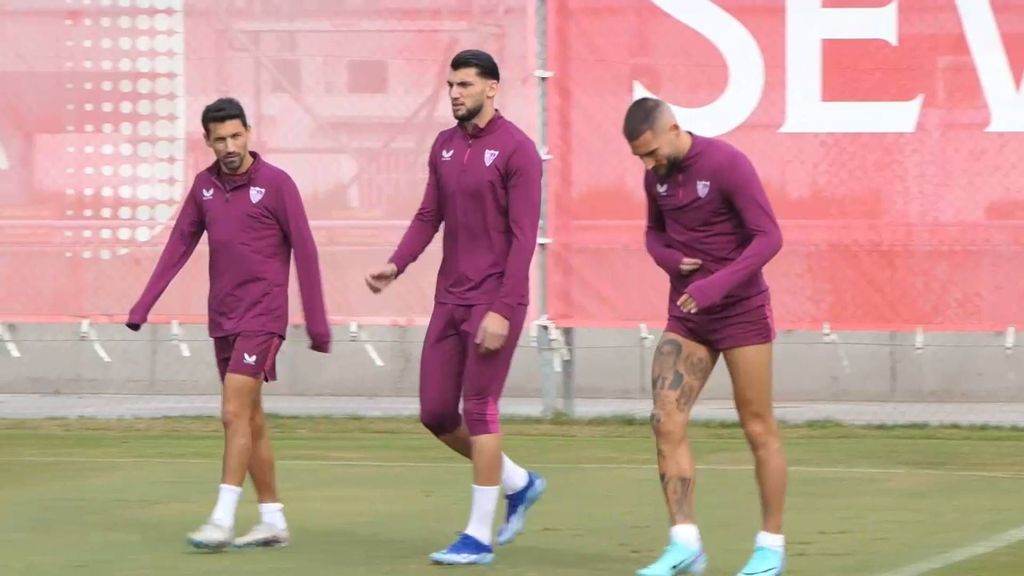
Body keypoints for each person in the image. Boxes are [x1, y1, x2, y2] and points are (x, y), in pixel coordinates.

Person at [364, 49, 546, 566]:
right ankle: (519, 482)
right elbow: (429, 216)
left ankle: (478, 536)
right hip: (450, 300)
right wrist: (395, 265)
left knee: (479, 409)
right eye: (450, 86)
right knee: (436, 413)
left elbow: (523, 239)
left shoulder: (518, 151)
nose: (454, 93)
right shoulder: (444, 147)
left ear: (492, 88)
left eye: (464, 85)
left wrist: (504, 309)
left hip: (494, 301)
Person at [126, 97, 331, 551]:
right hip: (223, 316)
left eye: (236, 135)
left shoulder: (277, 185)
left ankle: (221, 519)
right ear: (208, 141)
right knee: (251, 420)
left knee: (233, 412)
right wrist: (143, 305)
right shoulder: (203, 187)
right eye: (220, 139)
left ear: (249, 133)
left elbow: (307, 251)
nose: (229, 145)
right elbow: (177, 246)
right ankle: (273, 519)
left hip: (263, 315)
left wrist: (317, 323)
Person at [623, 97, 787, 576]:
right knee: (665, 419)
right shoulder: (654, 177)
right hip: (689, 317)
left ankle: (770, 547)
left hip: (740, 312)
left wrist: (716, 284)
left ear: (674, 129)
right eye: (640, 157)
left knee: (758, 427)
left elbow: (769, 237)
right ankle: (685, 545)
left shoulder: (727, 164)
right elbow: (654, 234)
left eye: (652, 152)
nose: (648, 164)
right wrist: (671, 262)